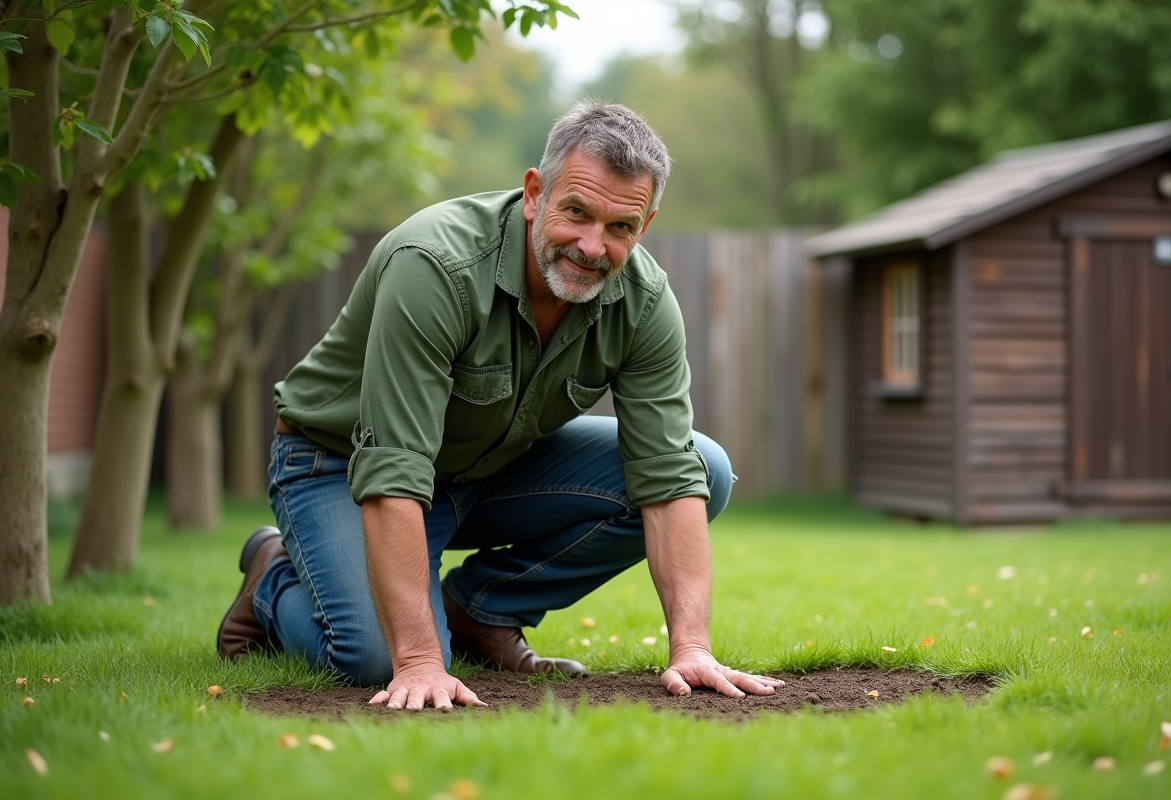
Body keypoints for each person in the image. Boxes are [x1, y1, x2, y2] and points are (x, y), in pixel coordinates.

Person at [216, 100, 784, 711]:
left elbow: (668, 473)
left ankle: (480, 611)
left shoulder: (644, 302)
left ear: (643, 226)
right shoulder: (434, 266)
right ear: (535, 193)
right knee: (374, 659)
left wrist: (692, 647)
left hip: (487, 467)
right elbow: (392, 465)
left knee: (706, 467)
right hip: (338, 463)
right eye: (576, 212)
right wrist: (419, 660)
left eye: (620, 226)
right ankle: (273, 577)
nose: (592, 246)